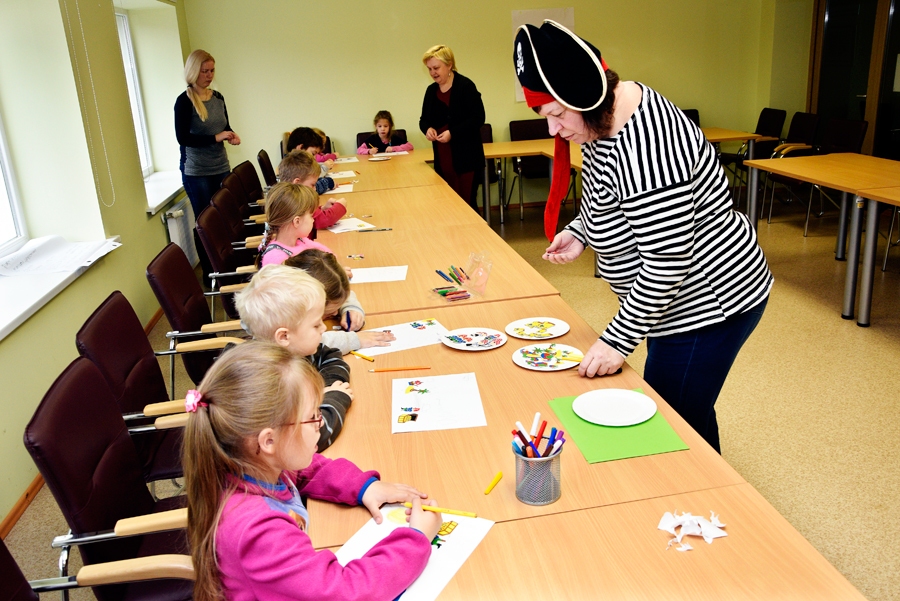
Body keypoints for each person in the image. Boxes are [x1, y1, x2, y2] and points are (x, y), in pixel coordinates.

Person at [513, 20, 773, 452]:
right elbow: (607, 190)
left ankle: (706, 502)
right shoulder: (605, 111)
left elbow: (667, 262)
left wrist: (616, 340)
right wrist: (581, 230)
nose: (553, 130)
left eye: (557, 115)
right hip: (670, 302)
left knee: (674, 416)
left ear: (584, 95)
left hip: (708, 302)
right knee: (679, 406)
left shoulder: (646, 146)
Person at [183, 341, 441, 601]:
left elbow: (307, 470)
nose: (321, 423)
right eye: (312, 417)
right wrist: (415, 538)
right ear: (268, 441)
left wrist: (364, 487)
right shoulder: (258, 531)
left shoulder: (251, 464)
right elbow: (345, 593)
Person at [235, 265, 352, 451]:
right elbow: (312, 439)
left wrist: (324, 389)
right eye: (316, 325)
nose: (324, 328)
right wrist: (335, 398)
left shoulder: (296, 351)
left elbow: (332, 355)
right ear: (284, 337)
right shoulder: (272, 383)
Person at [285, 249, 396, 353]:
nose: (335, 313)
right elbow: (311, 343)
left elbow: (341, 291)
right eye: (328, 312)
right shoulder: (285, 319)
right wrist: (353, 340)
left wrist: (350, 308)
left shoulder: (294, 287)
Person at [174, 49, 240, 217]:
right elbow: (183, 138)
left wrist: (231, 135)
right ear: (194, 72)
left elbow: (225, 126)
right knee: (206, 220)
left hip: (221, 166)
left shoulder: (218, 97)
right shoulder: (184, 101)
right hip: (198, 172)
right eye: (205, 71)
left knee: (225, 216)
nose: (209, 75)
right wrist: (215, 138)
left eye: (212, 71)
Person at [419, 45, 485, 209]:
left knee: (467, 204)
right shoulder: (431, 91)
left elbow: (478, 118)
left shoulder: (465, 86)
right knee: (448, 205)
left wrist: (452, 133)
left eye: (436, 68)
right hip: (443, 157)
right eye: (429, 69)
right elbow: (423, 120)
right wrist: (427, 129)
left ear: (449, 65)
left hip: (466, 158)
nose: (433, 73)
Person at [256, 182, 333, 268]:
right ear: (297, 221)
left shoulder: (300, 241)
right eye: (311, 216)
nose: (313, 220)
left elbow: (328, 256)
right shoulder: (276, 260)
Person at [279, 150, 345, 219]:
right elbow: (320, 220)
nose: (315, 188)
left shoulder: (291, 197)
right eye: (313, 185)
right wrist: (340, 207)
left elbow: (313, 214)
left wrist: (323, 208)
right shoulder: (295, 202)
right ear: (297, 183)